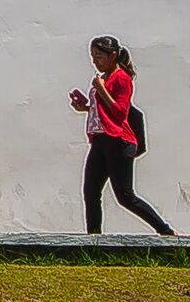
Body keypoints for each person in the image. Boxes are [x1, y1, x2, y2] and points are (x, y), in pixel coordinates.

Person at [70, 37, 171, 234]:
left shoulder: (121, 78)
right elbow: (104, 110)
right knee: (90, 192)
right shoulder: (105, 77)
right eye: (93, 57)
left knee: (125, 196)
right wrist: (86, 107)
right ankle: (94, 237)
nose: (95, 62)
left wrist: (100, 89)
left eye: (99, 57)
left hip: (117, 141)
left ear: (112, 55)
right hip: (100, 139)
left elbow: (120, 112)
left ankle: (165, 230)